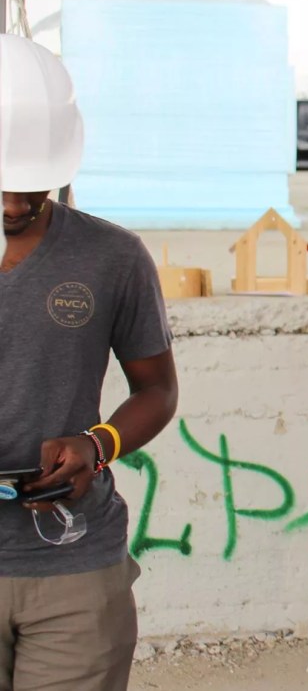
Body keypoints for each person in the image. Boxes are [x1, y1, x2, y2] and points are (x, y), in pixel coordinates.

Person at [0, 34, 178, 690]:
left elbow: (156, 389)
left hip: (73, 567)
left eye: (31, 187)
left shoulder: (113, 257)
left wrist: (96, 444)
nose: (15, 206)